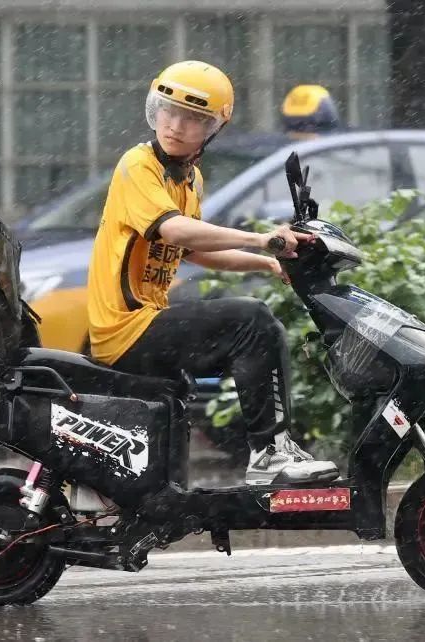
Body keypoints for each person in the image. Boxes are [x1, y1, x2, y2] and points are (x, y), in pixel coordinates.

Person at [86, 60, 338, 485]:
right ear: (154, 109)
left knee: (259, 333)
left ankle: (270, 449)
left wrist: (267, 262)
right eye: (169, 111)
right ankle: (269, 454)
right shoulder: (138, 165)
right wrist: (260, 239)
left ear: (212, 129)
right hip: (124, 329)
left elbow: (194, 250)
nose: (176, 125)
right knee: (252, 322)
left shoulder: (190, 180)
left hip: (147, 322)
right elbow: (174, 228)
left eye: (193, 118)